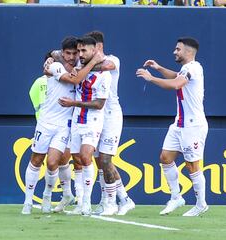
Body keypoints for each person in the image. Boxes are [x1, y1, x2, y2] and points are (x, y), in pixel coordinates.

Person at [136, 37, 209, 217]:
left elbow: (177, 84)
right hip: (179, 123)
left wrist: (151, 78)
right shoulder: (185, 69)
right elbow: (177, 77)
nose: (174, 52)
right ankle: (176, 197)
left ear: (188, 52)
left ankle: (201, 204)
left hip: (193, 125)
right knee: (165, 158)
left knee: (192, 165)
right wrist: (159, 68)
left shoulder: (194, 67)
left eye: (178, 49)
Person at [21, 36, 79, 215]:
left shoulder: (82, 68)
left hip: (64, 124)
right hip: (46, 121)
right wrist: (53, 59)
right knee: (36, 159)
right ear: (62, 53)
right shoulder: (55, 65)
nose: (71, 56)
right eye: (67, 53)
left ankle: (47, 196)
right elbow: (69, 79)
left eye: (74, 53)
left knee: (53, 162)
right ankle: (28, 201)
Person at [59, 36, 112, 215]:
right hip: (76, 120)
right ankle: (80, 202)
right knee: (77, 161)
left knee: (86, 156)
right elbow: (58, 56)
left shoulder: (104, 74)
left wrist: (74, 104)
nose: (80, 54)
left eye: (83, 51)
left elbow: (99, 104)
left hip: (93, 121)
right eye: (78, 51)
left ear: (94, 51)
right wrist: (51, 57)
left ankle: (88, 202)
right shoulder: (80, 68)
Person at [83, 31, 135, 216]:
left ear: (99, 47)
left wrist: (83, 66)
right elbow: (57, 53)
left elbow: (108, 65)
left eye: (88, 49)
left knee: (106, 159)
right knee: (100, 162)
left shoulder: (113, 60)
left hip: (112, 114)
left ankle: (112, 203)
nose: (83, 54)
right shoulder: (86, 61)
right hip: (96, 115)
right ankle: (121, 200)